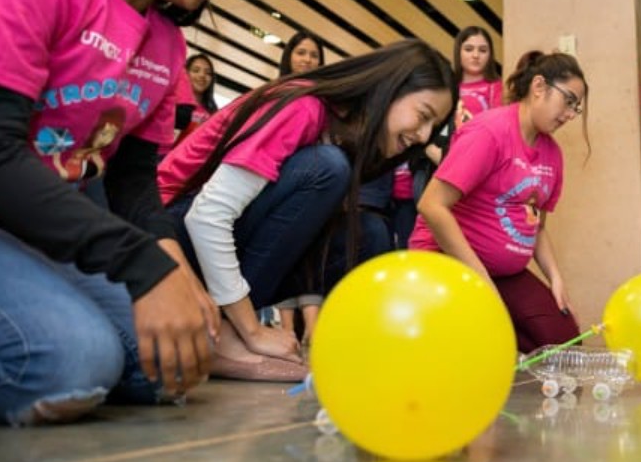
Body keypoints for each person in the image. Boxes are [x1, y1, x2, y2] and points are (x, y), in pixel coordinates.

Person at [0, 0, 259, 425]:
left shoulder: (166, 44)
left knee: (170, 362)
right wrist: (140, 267)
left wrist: (174, 267)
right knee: (69, 365)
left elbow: (133, 180)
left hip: (25, 229)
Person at [158, 40, 455, 380]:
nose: (424, 135)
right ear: (390, 89)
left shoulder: (344, 134)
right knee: (327, 168)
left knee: (370, 234)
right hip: (170, 236)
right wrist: (253, 330)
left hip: (215, 243)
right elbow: (207, 216)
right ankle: (227, 331)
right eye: (424, 116)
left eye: (435, 127)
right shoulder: (305, 106)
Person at [410, 50, 587, 353]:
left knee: (563, 342)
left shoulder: (552, 153)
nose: (570, 114)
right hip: (449, 261)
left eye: (577, 107)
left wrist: (556, 279)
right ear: (539, 86)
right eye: (568, 100)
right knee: (477, 344)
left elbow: (536, 227)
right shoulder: (489, 132)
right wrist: (480, 280)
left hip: (505, 273)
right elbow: (431, 205)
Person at [399, 26, 503, 247]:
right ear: (459, 52)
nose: (475, 55)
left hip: (473, 169)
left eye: (483, 50)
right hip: (431, 165)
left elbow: (499, 133)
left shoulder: (496, 88)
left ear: (490, 54)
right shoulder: (446, 85)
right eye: (469, 48)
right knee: (427, 231)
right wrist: (432, 151)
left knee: (464, 233)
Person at [173, 54, 219, 145]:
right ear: (185, 74)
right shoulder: (173, 102)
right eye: (196, 70)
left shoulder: (213, 113)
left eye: (208, 73)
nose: (202, 75)